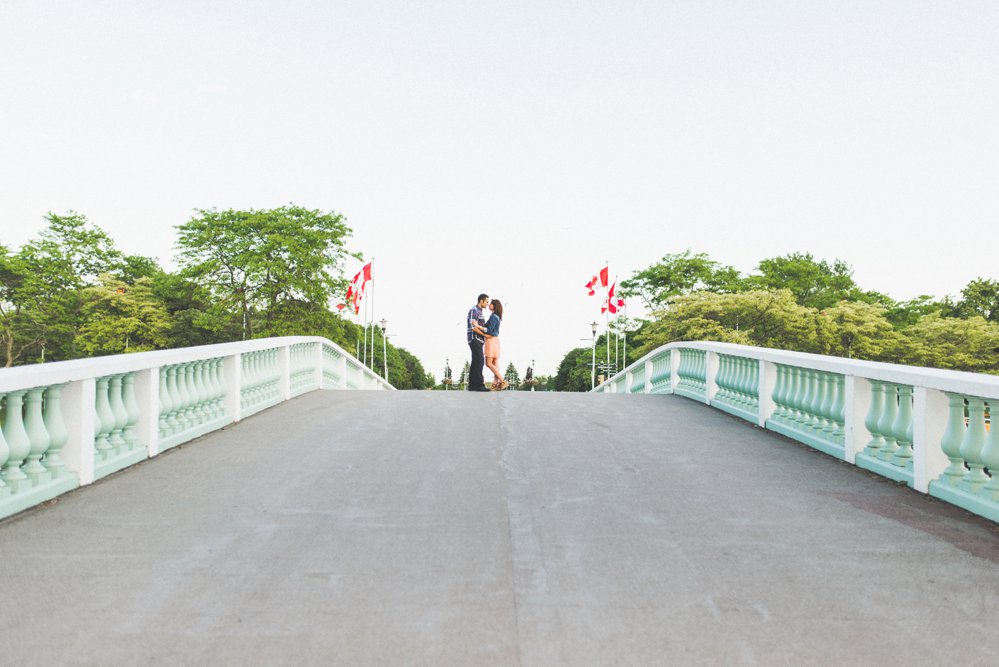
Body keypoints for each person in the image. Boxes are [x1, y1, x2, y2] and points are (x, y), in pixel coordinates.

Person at [466, 293, 490, 392]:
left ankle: (472, 386)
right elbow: (473, 328)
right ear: (481, 301)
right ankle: (480, 385)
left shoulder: (480, 312)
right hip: (474, 339)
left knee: (475, 362)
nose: (488, 304)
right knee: (480, 361)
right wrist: (485, 335)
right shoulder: (474, 310)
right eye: (487, 302)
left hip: (479, 340)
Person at [481, 299, 507, 390]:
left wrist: (478, 327)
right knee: (495, 362)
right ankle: (495, 383)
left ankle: (502, 380)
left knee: (488, 363)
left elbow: (489, 330)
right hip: (496, 341)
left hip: (491, 340)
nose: (489, 305)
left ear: (494, 306)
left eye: (491, 304)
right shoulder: (497, 317)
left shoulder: (493, 317)